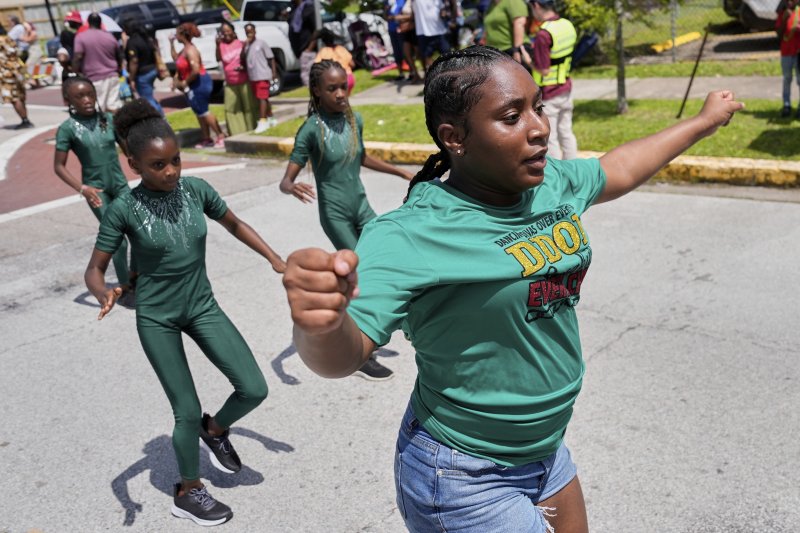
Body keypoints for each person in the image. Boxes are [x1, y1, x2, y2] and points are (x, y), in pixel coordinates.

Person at [280, 46, 743, 532]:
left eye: (537, 106)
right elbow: (342, 357)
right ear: (454, 137)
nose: (538, 127)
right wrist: (321, 324)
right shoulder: (408, 234)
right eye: (511, 116)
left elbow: (618, 168)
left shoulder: (546, 184)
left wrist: (703, 121)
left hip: (545, 451)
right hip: (463, 473)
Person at [84, 99, 286, 527]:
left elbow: (234, 224)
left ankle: (216, 431)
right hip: (157, 318)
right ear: (133, 163)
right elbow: (95, 269)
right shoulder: (123, 209)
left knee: (253, 388)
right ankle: (188, 490)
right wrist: (104, 291)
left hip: (201, 306)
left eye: (175, 160)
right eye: (158, 165)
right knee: (186, 410)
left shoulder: (196, 192)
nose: (171, 171)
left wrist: (274, 257)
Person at [279, 59, 414, 381]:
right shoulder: (311, 129)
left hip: (361, 207)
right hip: (336, 213)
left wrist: (400, 171)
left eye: (343, 87)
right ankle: (359, 352)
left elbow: (362, 156)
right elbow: (287, 177)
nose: (341, 94)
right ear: (317, 91)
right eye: (332, 89)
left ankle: (405, 324)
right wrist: (291, 186)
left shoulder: (355, 120)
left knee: (390, 256)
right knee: (361, 274)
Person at [54, 75, 136, 304]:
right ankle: (127, 289)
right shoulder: (67, 129)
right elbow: (58, 167)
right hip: (96, 191)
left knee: (139, 230)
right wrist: (82, 188)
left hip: (120, 186)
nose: (87, 100)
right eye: (79, 96)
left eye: (90, 94)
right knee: (118, 240)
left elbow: (129, 150)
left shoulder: (108, 119)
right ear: (68, 99)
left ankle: (142, 280)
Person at [530, 0, 577, 160]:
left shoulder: (543, 34)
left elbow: (544, 70)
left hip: (549, 92)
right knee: (567, 132)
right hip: (566, 86)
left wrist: (528, 61)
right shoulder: (567, 24)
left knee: (552, 138)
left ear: (536, 5)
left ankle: (558, 178)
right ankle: (573, 172)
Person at [170, 22, 226, 149]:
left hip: (200, 82)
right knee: (199, 112)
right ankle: (206, 138)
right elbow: (176, 59)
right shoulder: (184, 50)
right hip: (192, 84)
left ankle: (220, 136)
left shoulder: (191, 50)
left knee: (204, 111)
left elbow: (195, 70)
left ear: (182, 35)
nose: (175, 36)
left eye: (177, 34)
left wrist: (185, 82)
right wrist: (171, 43)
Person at [73, 12, 123, 113]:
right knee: (113, 105)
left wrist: (76, 72)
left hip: (94, 77)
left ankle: (101, 128)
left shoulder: (81, 37)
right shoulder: (110, 36)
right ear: (100, 23)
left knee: (98, 106)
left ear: (88, 23)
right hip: (112, 75)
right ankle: (117, 127)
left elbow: (78, 56)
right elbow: (119, 55)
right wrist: (119, 70)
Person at [216, 20, 258, 135]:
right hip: (230, 82)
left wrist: (243, 67)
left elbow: (248, 59)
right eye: (223, 32)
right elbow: (218, 58)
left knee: (249, 106)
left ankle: (252, 128)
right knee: (231, 108)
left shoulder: (241, 43)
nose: (226, 34)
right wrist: (217, 44)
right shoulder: (221, 45)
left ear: (233, 32)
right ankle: (237, 132)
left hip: (244, 80)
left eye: (228, 31)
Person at [242, 23, 279, 134]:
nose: (249, 33)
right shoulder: (247, 46)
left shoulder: (261, 43)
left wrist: (274, 72)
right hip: (253, 76)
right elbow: (242, 58)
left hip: (262, 75)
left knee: (262, 98)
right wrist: (244, 46)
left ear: (255, 31)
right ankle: (271, 118)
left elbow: (271, 58)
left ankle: (262, 122)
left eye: (251, 31)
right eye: (247, 32)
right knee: (263, 98)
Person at [123, 18, 163, 115]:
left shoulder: (132, 42)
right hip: (152, 70)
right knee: (150, 97)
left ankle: (160, 120)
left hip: (143, 74)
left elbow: (134, 61)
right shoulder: (146, 38)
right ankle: (162, 118)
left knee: (148, 100)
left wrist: (131, 78)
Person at [0, 26, 34, 129]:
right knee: (20, 96)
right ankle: (26, 118)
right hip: (17, 70)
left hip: (6, 73)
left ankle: (25, 121)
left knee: (14, 98)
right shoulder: (8, 39)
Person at [483, 0, 532, 68]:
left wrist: (516, 50)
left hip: (511, 50)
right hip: (496, 52)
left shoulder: (512, 1)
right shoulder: (491, 5)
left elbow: (519, 23)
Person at [413, 0, 455, 72]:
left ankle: (448, 74)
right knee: (426, 56)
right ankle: (436, 75)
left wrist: (444, 14)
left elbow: (443, 9)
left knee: (447, 55)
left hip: (440, 30)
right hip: (423, 31)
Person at [776, 0, 800, 118]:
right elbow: (779, 35)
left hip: (798, 52)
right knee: (787, 78)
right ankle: (787, 105)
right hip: (786, 52)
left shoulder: (799, 12)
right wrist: (785, 19)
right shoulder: (782, 13)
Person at [314, 29, 356, 94]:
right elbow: (352, 64)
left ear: (323, 41)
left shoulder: (323, 52)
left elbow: (317, 67)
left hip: (334, 81)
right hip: (349, 78)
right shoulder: (341, 48)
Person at [288, 0, 317, 86]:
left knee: (309, 79)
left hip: (308, 51)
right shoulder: (295, 9)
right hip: (300, 51)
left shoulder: (309, 8)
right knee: (306, 79)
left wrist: (309, 49)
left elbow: (316, 29)